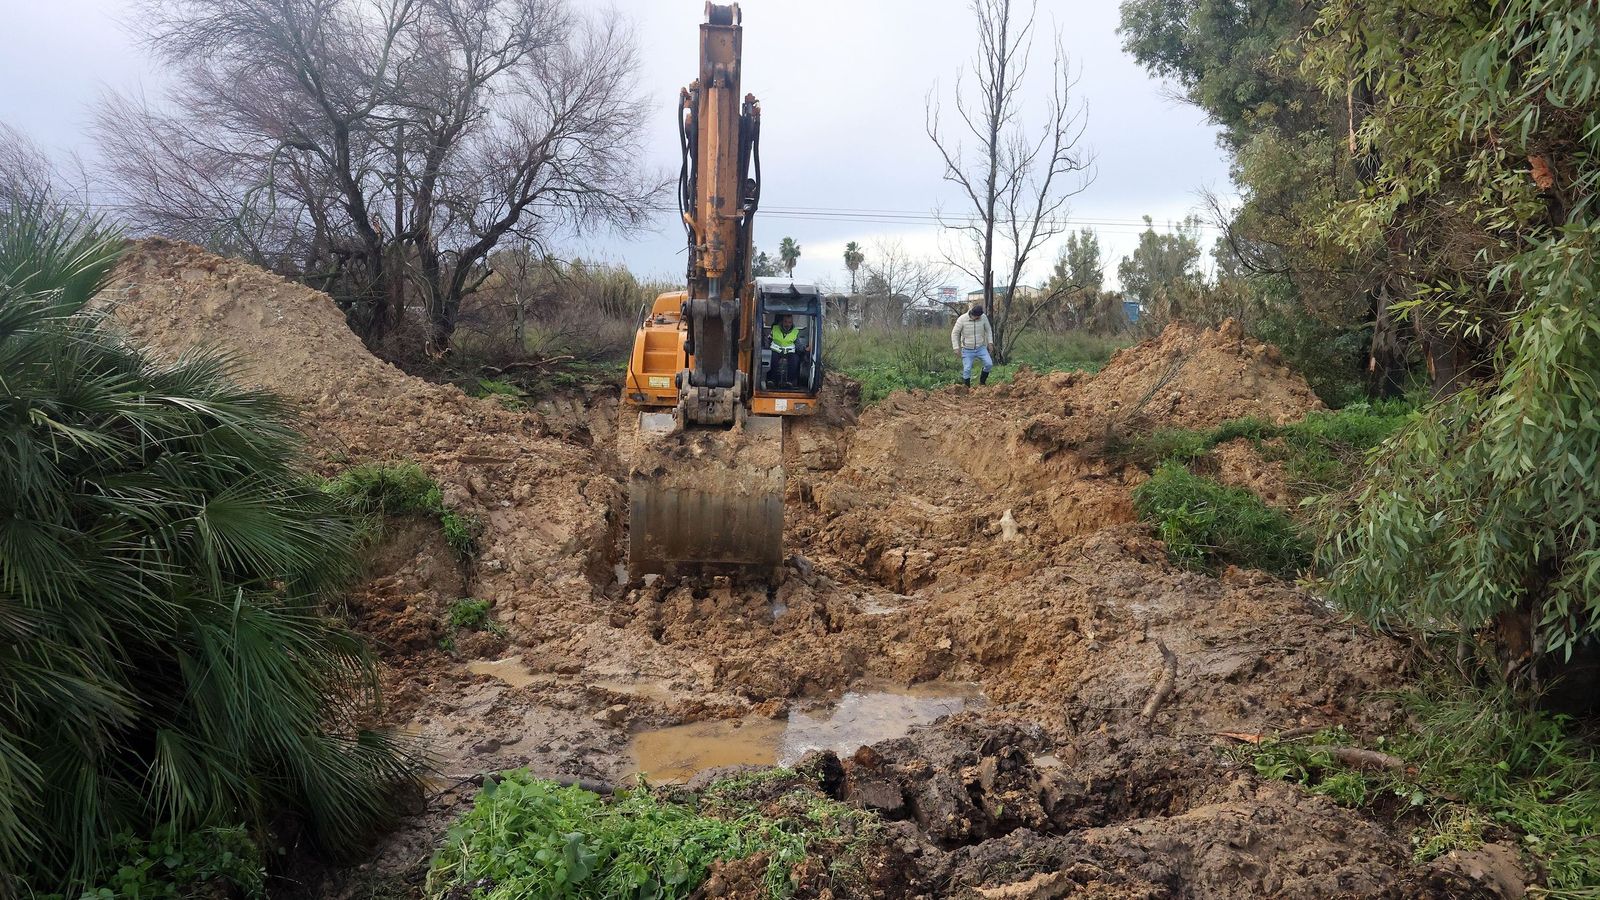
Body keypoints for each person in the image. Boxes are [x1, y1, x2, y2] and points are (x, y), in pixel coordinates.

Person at [950, 304, 994, 386]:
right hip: (967, 349)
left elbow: (988, 330)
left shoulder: (983, 317)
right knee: (967, 369)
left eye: (979, 317)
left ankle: (982, 382)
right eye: (976, 317)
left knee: (989, 364)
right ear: (972, 314)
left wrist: (990, 342)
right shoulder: (962, 319)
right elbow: (955, 333)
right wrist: (956, 347)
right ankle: (966, 387)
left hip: (981, 347)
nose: (978, 318)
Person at [768, 313, 803, 388]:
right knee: (772, 358)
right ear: (782, 321)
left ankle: (790, 381)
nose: (787, 324)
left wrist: (804, 349)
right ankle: (772, 380)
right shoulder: (775, 329)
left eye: (790, 322)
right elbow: (768, 340)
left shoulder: (795, 332)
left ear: (792, 322)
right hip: (776, 350)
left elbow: (798, 344)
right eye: (786, 322)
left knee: (795, 359)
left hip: (789, 352)